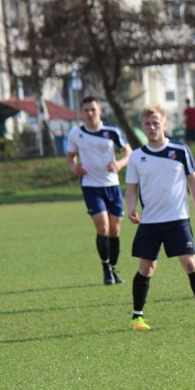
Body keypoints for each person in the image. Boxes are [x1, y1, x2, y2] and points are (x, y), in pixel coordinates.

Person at [124, 104, 195, 331]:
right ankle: (137, 317)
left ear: (164, 124)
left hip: (177, 219)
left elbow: (194, 182)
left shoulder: (180, 151)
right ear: (142, 127)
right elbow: (132, 188)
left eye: (156, 123)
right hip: (151, 221)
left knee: (190, 262)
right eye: (148, 123)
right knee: (146, 267)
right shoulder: (136, 157)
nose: (152, 127)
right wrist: (131, 208)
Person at [66, 95, 133, 285]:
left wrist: (119, 164)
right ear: (82, 112)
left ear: (100, 111)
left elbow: (128, 152)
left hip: (112, 185)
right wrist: (75, 168)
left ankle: (113, 269)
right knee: (103, 226)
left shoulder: (111, 131)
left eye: (93, 110)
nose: (90, 113)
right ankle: (105, 269)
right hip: (91, 186)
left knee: (115, 229)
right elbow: (70, 158)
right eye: (86, 110)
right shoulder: (75, 134)